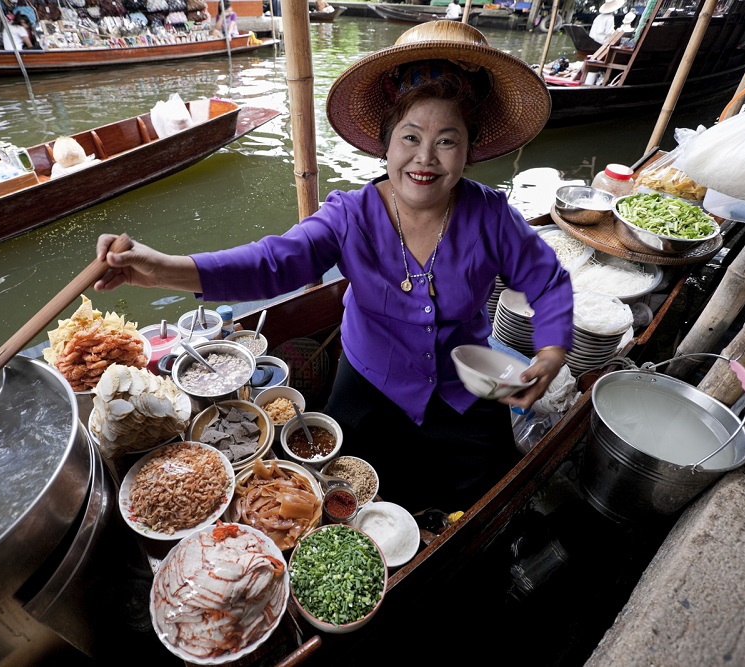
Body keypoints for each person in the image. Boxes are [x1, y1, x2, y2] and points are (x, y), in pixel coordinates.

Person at [94, 22, 573, 513]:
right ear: (385, 144)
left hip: (463, 387)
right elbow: (272, 263)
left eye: (447, 141)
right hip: (370, 384)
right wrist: (161, 269)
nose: (425, 158)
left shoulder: (490, 215)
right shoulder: (350, 214)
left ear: (469, 150)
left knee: (482, 491)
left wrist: (552, 353)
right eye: (410, 137)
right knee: (350, 497)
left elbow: (549, 281)